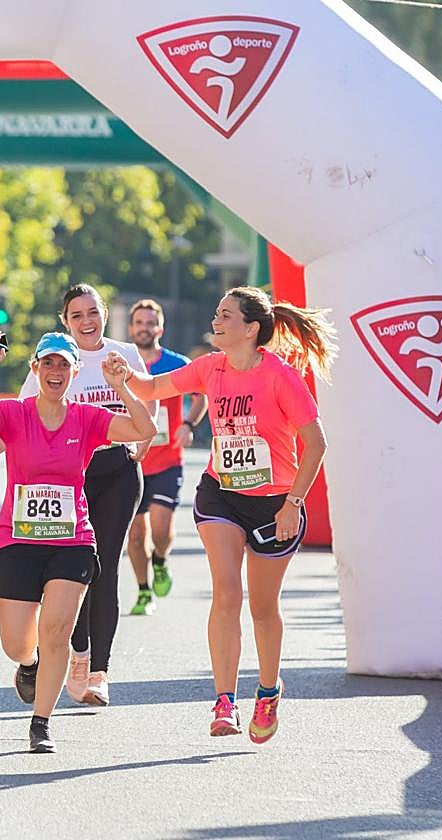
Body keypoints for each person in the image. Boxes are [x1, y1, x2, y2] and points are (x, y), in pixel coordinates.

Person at [120, 286, 336, 743]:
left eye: (225, 315)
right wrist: (122, 377)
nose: (216, 322)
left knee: (262, 608)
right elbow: (152, 387)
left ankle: (268, 691)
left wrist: (292, 504)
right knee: (226, 594)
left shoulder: (279, 376)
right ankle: (224, 700)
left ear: (251, 328)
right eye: (216, 313)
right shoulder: (209, 367)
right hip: (221, 495)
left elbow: (316, 443)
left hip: (275, 502)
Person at [0, 331, 155, 752]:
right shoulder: (14, 413)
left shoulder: (88, 417)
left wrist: (119, 387)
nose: (56, 372)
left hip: (71, 540)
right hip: (17, 540)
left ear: (75, 372)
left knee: (57, 630)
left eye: (64, 365)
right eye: (48, 364)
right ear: (35, 369)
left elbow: (143, 428)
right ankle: (29, 665)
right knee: (17, 642)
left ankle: (41, 722)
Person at [124, 299, 208, 616]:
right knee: (135, 534)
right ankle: (144, 591)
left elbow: (202, 396)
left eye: (150, 323)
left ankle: (159, 560)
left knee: (159, 530)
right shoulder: (122, 363)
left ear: (160, 328)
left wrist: (188, 425)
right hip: (131, 460)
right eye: (139, 323)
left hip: (166, 460)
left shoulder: (176, 363)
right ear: (131, 327)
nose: (144, 328)